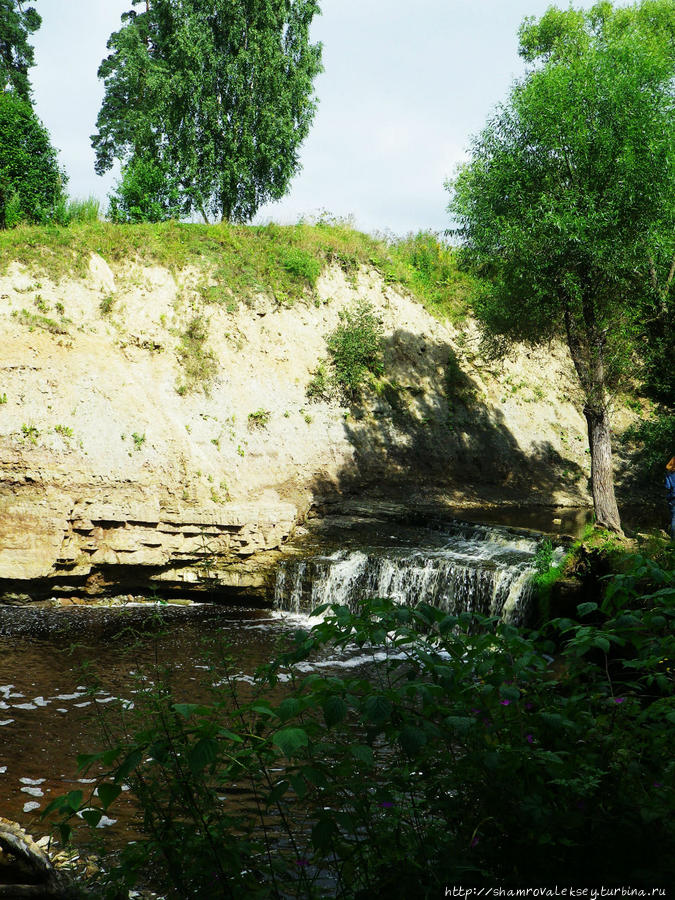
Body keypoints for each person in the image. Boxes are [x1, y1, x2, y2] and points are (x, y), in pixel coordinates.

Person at [666, 457, 675, 539]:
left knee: (674, 519)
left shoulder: (669, 473)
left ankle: (673, 540)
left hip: (672, 498)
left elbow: (668, 487)